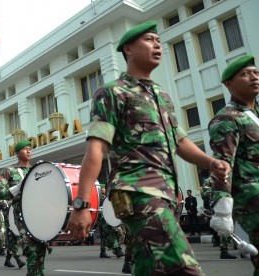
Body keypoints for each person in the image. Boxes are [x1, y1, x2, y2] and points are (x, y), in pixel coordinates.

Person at [66, 20, 231, 276]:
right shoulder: (113, 92)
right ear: (129, 49)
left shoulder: (161, 95)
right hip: (137, 191)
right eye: (150, 39)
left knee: (151, 268)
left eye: (159, 41)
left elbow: (181, 142)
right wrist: (81, 205)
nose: (157, 45)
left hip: (167, 195)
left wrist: (210, 163)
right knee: (185, 266)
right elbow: (96, 149)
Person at [208, 54, 259, 275]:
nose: (254, 77)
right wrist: (222, 211)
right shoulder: (227, 119)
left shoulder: (255, 115)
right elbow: (222, 166)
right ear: (229, 84)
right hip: (253, 200)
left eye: (256, 72)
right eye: (245, 74)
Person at [0, 140, 41, 273]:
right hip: (21, 216)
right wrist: (15, 189)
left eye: (30, 149)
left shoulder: (36, 170)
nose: (29, 151)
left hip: (38, 214)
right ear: (17, 153)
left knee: (40, 253)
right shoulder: (9, 171)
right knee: (31, 250)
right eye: (25, 149)